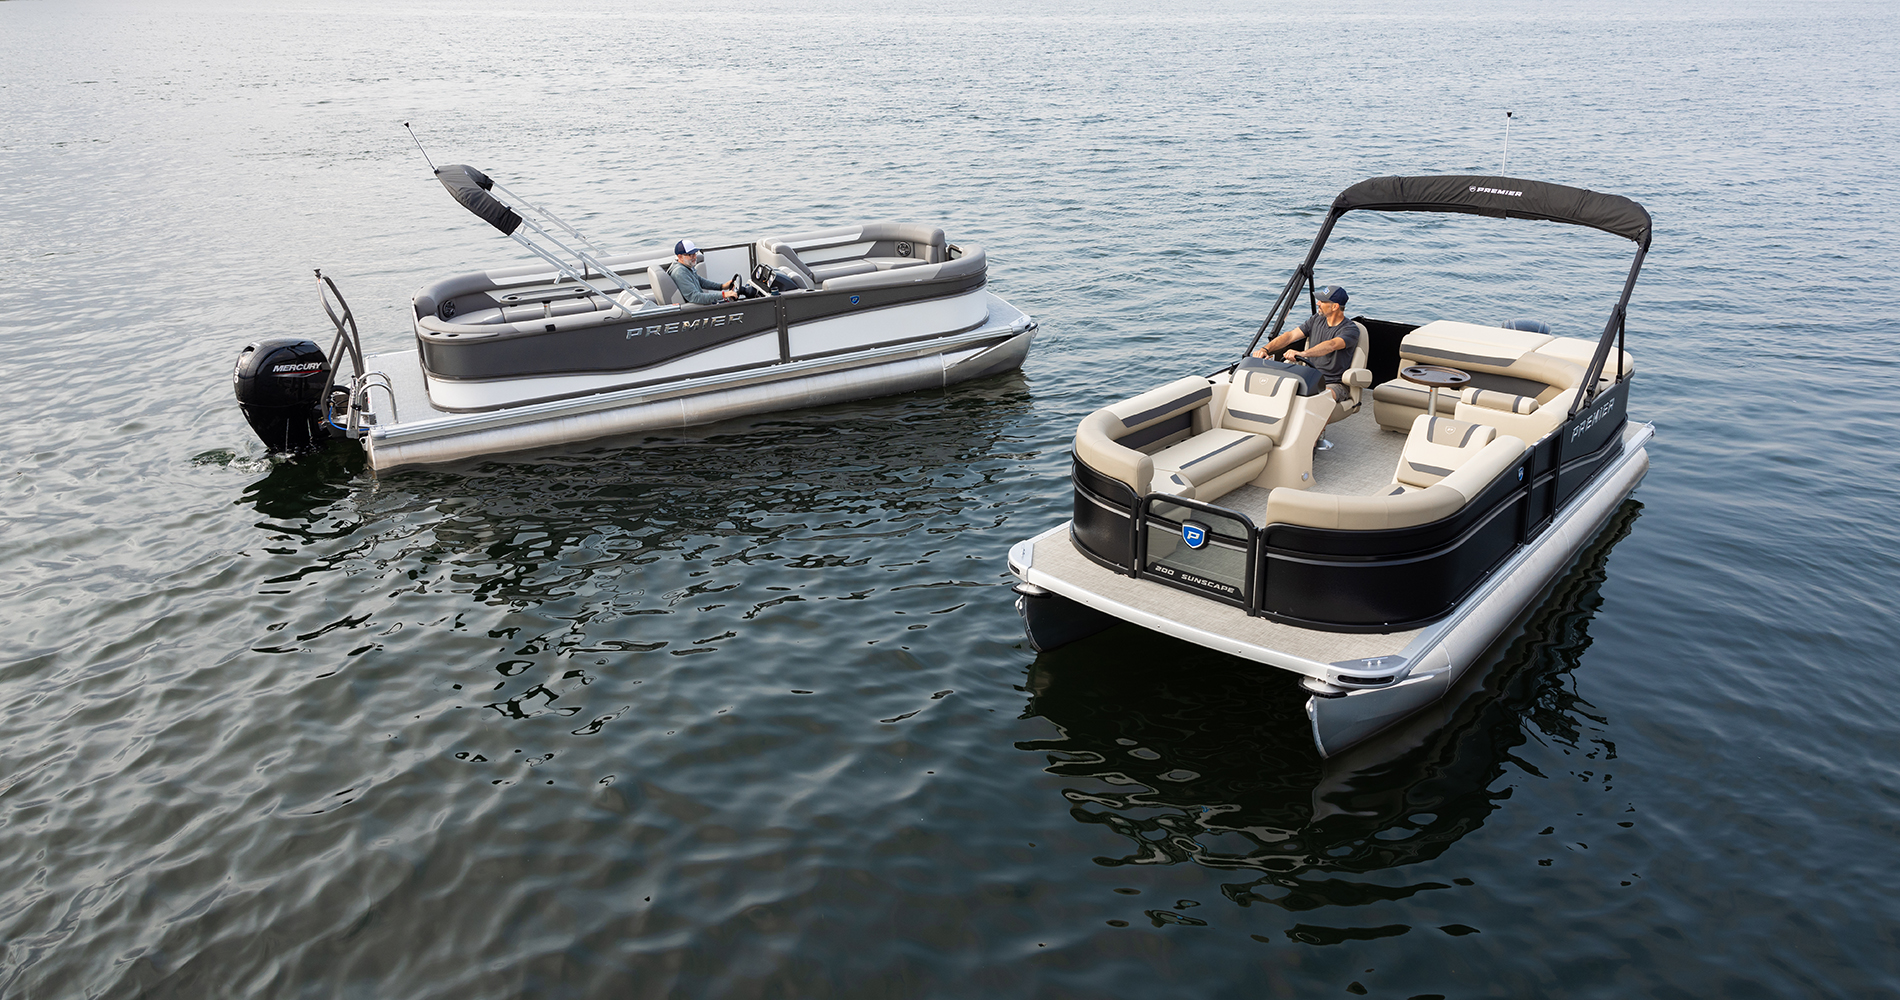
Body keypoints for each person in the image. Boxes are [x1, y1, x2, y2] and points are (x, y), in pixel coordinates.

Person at [1252, 284, 1359, 400]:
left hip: (1334, 384)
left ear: (1335, 307)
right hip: (1309, 378)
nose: (1318, 303)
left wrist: (1302, 354)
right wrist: (1265, 349)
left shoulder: (1350, 329)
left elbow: (1331, 345)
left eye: (1322, 301)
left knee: (1319, 398)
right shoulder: (1316, 320)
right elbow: (1290, 336)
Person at [667, 240, 740, 305]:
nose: (695, 257)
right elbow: (695, 297)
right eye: (690, 255)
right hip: (695, 309)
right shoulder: (680, 272)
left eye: (695, 254)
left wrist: (722, 286)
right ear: (680, 257)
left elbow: (700, 281)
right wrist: (723, 295)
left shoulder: (686, 266)